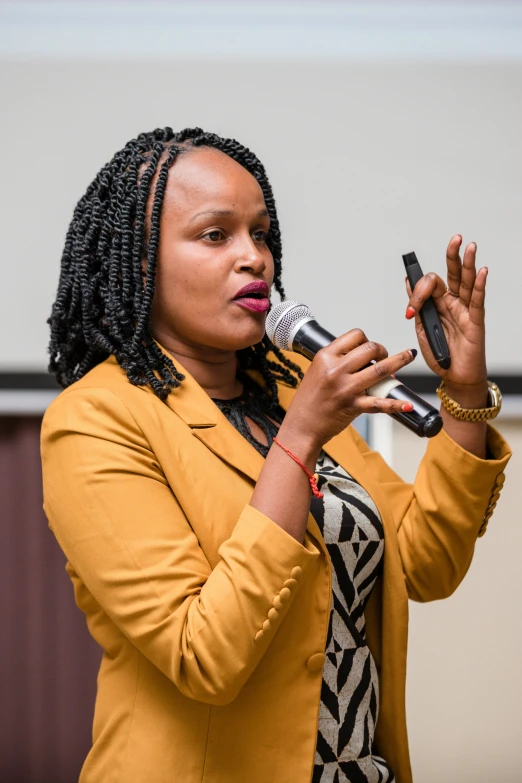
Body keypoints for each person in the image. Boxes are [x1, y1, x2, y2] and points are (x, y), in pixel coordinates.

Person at [41, 127, 511, 783]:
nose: (254, 257)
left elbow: (424, 564)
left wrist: (462, 386)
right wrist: (296, 442)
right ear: (144, 261)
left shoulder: (291, 383)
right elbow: (204, 655)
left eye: (260, 233)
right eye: (216, 234)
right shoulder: (95, 420)